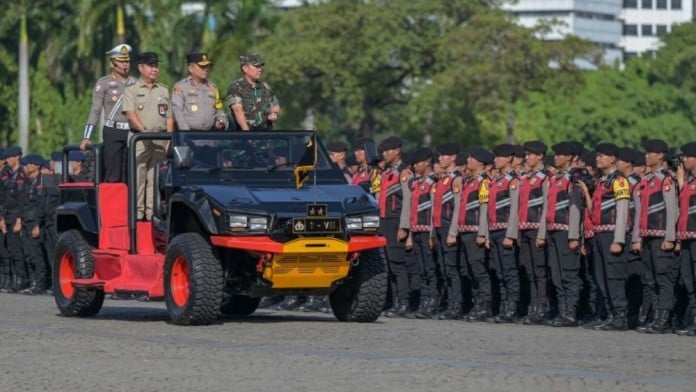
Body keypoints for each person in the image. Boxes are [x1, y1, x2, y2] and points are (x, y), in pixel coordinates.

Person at [634, 139, 679, 334]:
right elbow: (640, 211)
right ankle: (653, 317)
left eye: (651, 152)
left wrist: (670, 237)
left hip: (661, 235)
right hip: (648, 235)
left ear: (660, 155)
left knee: (663, 278)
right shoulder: (647, 180)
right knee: (649, 278)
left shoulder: (666, 179)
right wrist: (638, 236)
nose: (646, 155)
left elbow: (672, 210)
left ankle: (663, 318)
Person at [123, 52, 174, 221]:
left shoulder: (164, 89)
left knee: (155, 177)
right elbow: (130, 114)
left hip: (160, 139)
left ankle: (152, 213)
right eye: (151, 66)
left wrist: (169, 138)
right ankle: (137, 213)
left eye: (156, 66)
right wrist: (143, 131)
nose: (154, 69)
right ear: (140, 67)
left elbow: (169, 116)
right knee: (139, 175)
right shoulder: (132, 89)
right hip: (140, 138)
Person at [537, 142, 584, 327]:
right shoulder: (556, 178)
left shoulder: (574, 178)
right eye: (555, 155)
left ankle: (571, 313)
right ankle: (563, 311)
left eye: (560, 155)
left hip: (566, 232)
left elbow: (575, 208)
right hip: (553, 231)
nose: (555, 157)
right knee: (556, 274)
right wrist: (543, 232)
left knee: (569, 274)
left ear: (570, 157)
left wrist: (574, 236)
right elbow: (547, 208)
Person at [588, 143, 631, 331]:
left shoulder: (619, 181)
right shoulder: (602, 181)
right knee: (601, 276)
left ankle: (620, 316)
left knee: (614, 276)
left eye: (602, 156)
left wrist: (619, 239)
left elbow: (622, 210)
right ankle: (610, 314)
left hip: (612, 233)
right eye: (597, 155)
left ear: (612, 159)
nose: (598, 158)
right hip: (599, 233)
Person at [80, 44, 136, 183]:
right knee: (113, 174)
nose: (125, 65)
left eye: (127, 61)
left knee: (132, 174)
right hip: (113, 131)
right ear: (112, 63)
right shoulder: (104, 83)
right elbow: (95, 110)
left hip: (132, 131)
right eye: (121, 61)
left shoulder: (136, 83)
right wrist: (86, 137)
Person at [481, 143, 521, 323]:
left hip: (505, 230)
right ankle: (504, 306)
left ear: (508, 159)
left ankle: (511, 307)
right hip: (495, 230)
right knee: (499, 271)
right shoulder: (496, 181)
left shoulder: (512, 181)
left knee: (509, 271)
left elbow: (514, 210)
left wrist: (510, 235)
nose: (495, 160)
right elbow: (489, 210)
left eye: (498, 157)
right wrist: (488, 234)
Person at [378, 136, 412, 318]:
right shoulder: (387, 173)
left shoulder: (404, 173)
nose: (384, 153)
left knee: (398, 263)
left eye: (387, 150)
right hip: (385, 221)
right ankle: (395, 302)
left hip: (396, 221)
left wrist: (404, 226)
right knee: (388, 264)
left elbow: (407, 201)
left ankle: (404, 302)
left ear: (397, 151)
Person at [460, 146, 495, 321]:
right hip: (465, 230)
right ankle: (476, 304)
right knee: (471, 270)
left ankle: (485, 306)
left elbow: (484, 208)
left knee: (479, 270)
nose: (468, 161)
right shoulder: (469, 182)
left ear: (480, 162)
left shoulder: (484, 183)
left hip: (475, 231)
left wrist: (483, 232)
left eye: (471, 158)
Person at [517, 141, 549, 324]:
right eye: (526, 154)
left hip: (537, 228)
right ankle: (533, 305)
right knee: (530, 271)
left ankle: (541, 308)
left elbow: (547, 205)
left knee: (539, 271)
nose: (526, 157)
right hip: (524, 227)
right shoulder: (525, 178)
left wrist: (542, 233)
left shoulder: (545, 178)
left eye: (530, 154)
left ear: (540, 156)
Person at [432, 142, 463, 320]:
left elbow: (457, 207)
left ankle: (455, 305)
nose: (440, 159)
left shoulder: (455, 179)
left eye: (444, 156)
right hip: (439, 227)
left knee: (451, 268)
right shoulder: (443, 179)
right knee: (444, 268)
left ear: (452, 158)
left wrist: (453, 232)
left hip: (448, 227)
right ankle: (448, 303)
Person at [172, 53, 227, 131]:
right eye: (202, 66)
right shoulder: (181, 87)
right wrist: (185, 133)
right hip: (189, 135)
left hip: (210, 136)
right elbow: (177, 111)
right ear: (190, 68)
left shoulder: (212, 87)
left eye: (206, 66)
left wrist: (221, 120)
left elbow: (220, 109)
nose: (205, 69)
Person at [226, 54, 280, 131]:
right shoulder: (236, 87)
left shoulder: (265, 86)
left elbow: (275, 105)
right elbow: (238, 112)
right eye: (256, 66)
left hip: (264, 137)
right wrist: (248, 135)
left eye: (260, 66)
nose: (260, 69)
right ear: (245, 68)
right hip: (242, 137)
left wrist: (274, 113)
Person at [19, 154, 48, 295]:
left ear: (37, 166)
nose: (27, 166)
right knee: (28, 254)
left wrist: (37, 224)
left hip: (35, 223)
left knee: (36, 254)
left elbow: (41, 205)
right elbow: (23, 204)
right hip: (26, 222)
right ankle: (33, 283)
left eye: (30, 164)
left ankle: (40, 284)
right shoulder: (29, 182)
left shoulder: (41, 182)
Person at [676, 141, 696, 336]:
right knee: (689, 280)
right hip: (686, 237)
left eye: (687, 156)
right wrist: (682, 182)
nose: (684, 160)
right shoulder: (689, 182)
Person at [1, 146, 27, 292]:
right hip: (8, 215)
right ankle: (12, 279)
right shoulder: (7, 174)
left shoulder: (22, 174)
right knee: (10, 250)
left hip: (18, 216)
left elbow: (23, 200)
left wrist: (19, 219)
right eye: (7, 158)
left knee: (18, 251)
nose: (8, 160)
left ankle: (21, 279)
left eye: (11, 157)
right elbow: (3, 198)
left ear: (18, 157)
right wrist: (2, 218)